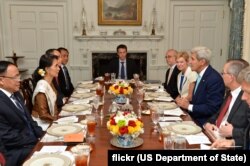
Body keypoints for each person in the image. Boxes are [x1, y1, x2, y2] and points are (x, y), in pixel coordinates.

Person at [0, 61, 44, 166]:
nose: (19, 80)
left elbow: (29, 120)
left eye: (19, 76)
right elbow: (8, 137)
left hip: (28, 141)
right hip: (15, 151)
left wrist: (42, 135)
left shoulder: (15, 94)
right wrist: (36, 142)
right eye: (15, 77)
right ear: (1, 80)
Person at [203, 60, 249, 147]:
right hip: (214, 136)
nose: (221, 75)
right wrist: (208, 124)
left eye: (223, 73)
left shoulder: (247, 98)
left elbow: (247, 131)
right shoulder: (229, 92)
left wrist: (233, 132)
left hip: (228, 143)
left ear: (231, 77)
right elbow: (218, 114)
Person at [176, 46, 225, 127]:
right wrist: (187, 103)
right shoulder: (200, 75)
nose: (189, 62)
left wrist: (189, 106)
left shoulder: (214, 78)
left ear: (202, 61)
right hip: (193, 119)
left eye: (192, 59)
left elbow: (212, 108)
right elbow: (198, 101)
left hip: (204, 124)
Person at [32, 54, 60, 130]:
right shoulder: (42, 87)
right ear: (47, 69)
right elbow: (43, 115)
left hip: (50, 119)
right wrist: (58, 120)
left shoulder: (50, 82)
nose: (59, 68)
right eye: (56, 66)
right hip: (41, 124)